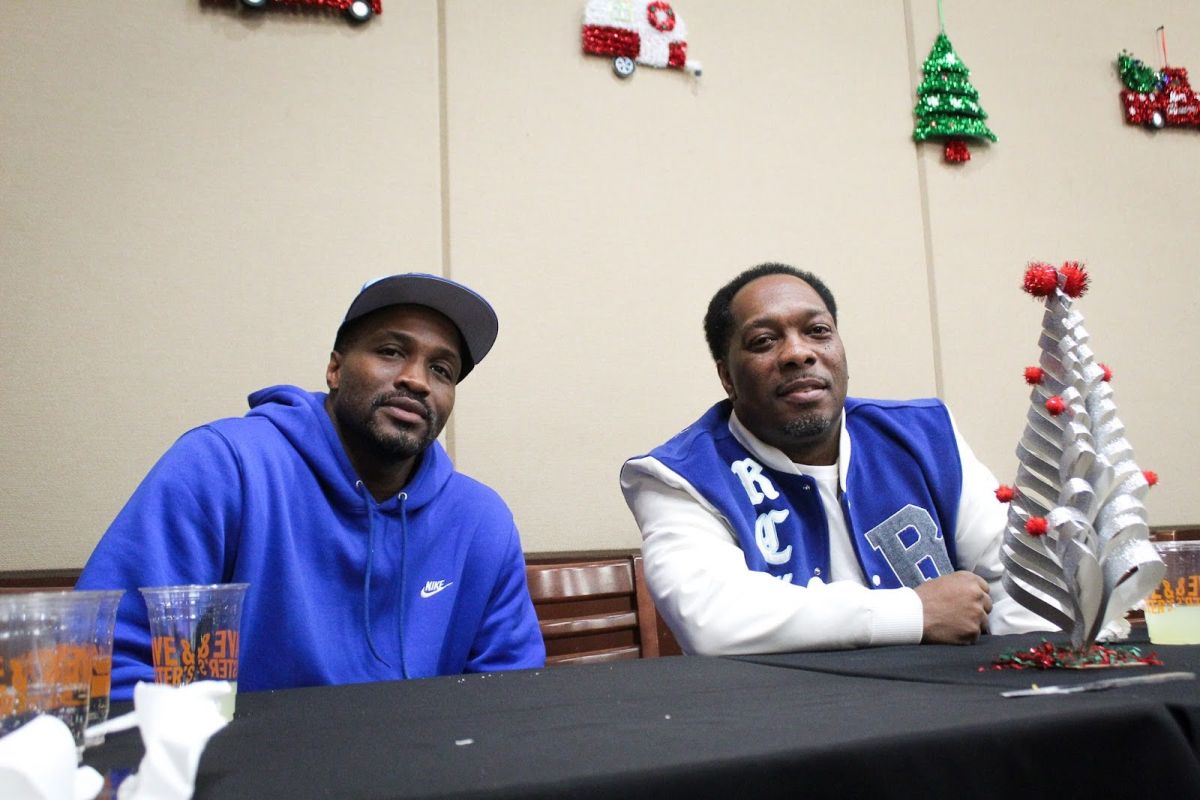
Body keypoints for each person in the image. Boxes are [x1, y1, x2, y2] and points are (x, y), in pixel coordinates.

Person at [78, 273, 545, 699]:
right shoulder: (224, 465)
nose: (415, 380)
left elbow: (511, 698)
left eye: (441, 370)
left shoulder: (481, 520)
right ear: (335, 369)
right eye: (390, 352)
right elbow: (111, 665)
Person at [620, 263, 1051, 656]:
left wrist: (1020, 679)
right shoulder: (676, 477)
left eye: (818, 331)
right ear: (727, 378)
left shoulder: (927, 436)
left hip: (951, 712)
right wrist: (914, 612)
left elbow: (1018, 583)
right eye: (765, 341)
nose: (798, 353)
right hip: (794, 725)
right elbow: (713, 620)